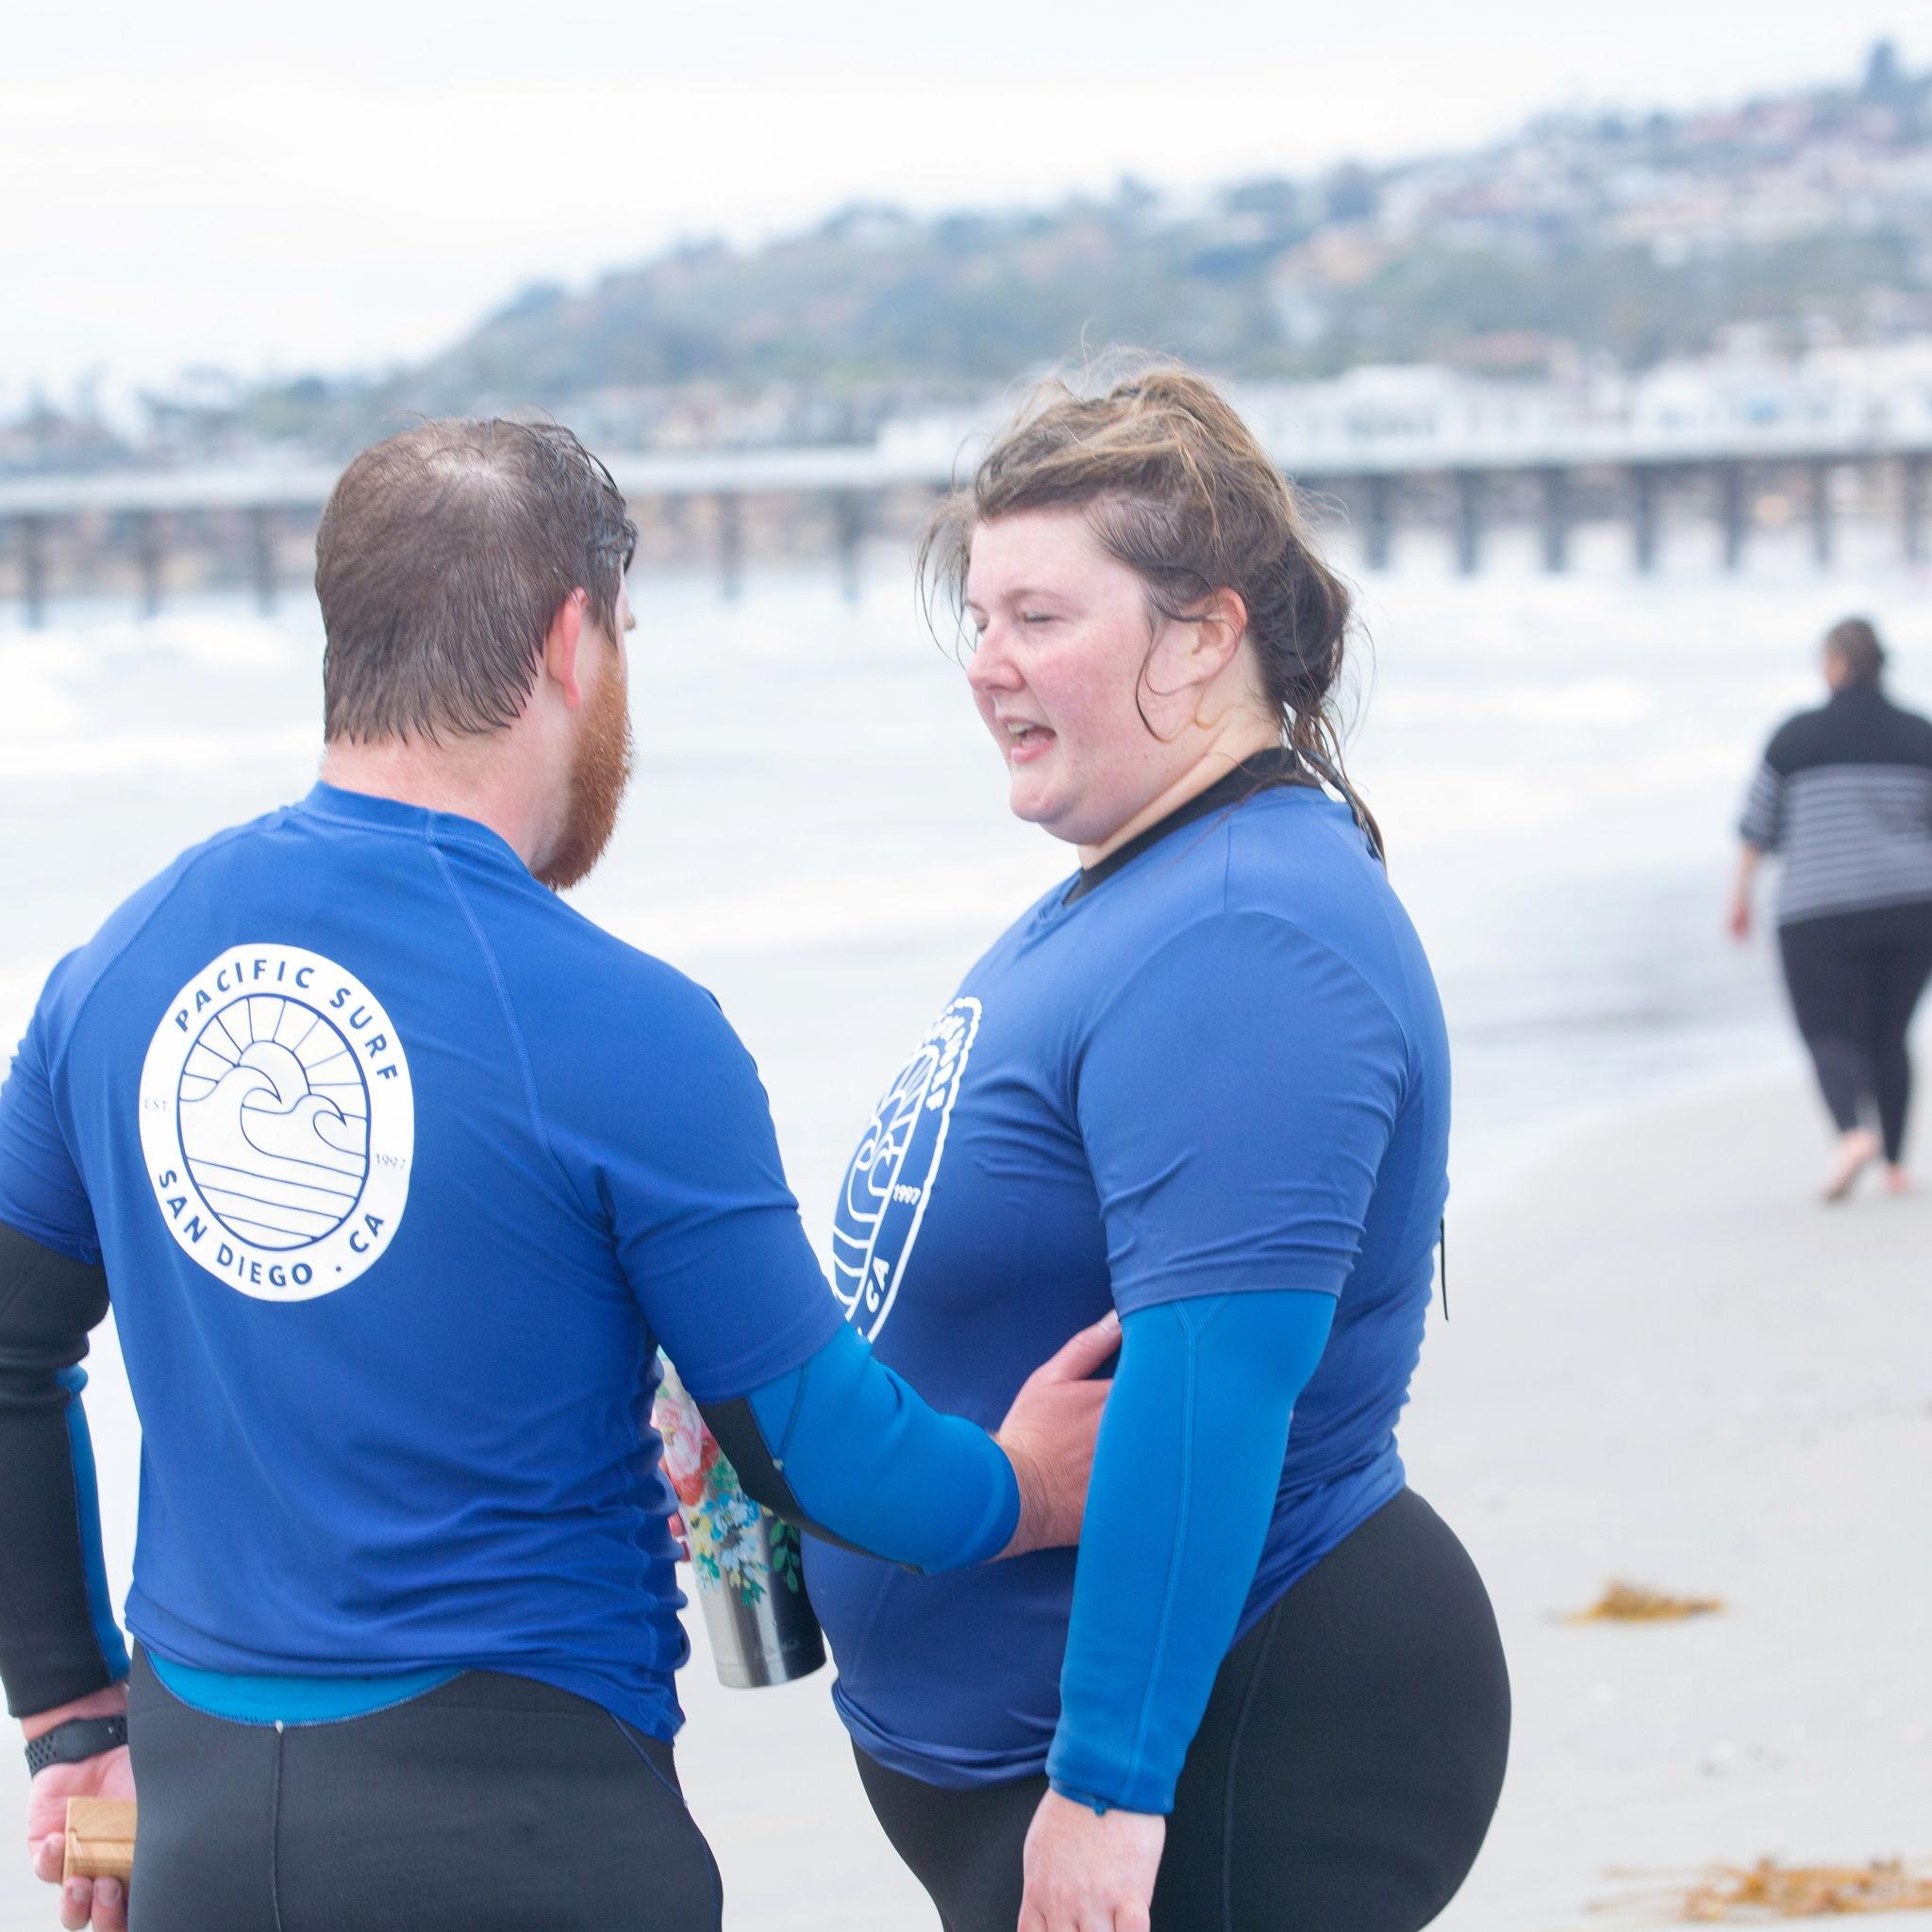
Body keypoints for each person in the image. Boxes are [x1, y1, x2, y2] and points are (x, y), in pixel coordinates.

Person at [0, 419, 1117, 1932]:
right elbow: (823, 1457)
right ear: (571, 639)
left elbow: (8, 1348)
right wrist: (1028, 1484)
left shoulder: (111, 970)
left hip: (201, 1827)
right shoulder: (625, 1029)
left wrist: (72, 1714)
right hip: (521, 1836)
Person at [807, 367, 1510, 1932]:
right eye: (975, 618)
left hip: (1233, 1741)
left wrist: (1115, 1784)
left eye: (1038, 616)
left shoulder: (1246, 928)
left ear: (1205, 632)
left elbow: (1211, 1386)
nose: (986, 665)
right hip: (1051, 1753)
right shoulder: (1130, 884)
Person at [1732, 616, 1932, 1201]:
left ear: (1838, 665)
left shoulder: (1796, 737)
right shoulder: (1920, 735)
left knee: (1827, 1031)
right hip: (1911, 908)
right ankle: (1894, 1164)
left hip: (1818, 911)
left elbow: (1757, 826)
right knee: (1889, 1033)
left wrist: (1739, 897)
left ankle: (1851, 1134)